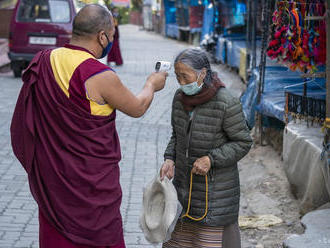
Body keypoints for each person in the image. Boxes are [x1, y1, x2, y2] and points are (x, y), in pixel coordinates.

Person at [10, 4, 167, 248]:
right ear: (102, 36)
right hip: (90, 189)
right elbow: (137, 108)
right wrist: (151, 84)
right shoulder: (100, 75)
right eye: (112, 36)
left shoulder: (45, 59)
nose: (111, 41)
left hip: (55, 180)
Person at [160, 48, 252, 248]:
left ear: (202, 73)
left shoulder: (226, 102)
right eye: (178, 77)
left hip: (215, 194)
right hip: (183, 189)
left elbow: (243, 142)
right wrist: (170, 158)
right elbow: (177, 134)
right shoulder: (179, 98)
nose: (182, 83)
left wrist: (211, 159)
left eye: (185, 76)